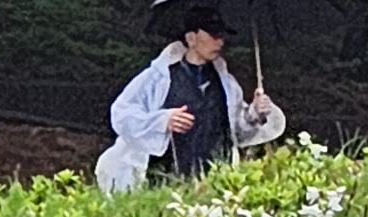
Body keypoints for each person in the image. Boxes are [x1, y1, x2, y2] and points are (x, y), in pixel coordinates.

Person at [95, 10, 288, 193]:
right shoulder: (158, 78)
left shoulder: (226, 83)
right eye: (213, 35)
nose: (220, 42)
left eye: (221, 36)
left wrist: (254, 113)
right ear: (191, 38)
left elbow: (236, 128)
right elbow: (122, 114)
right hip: (167, 179)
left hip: (217, 180)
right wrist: (161, 120)